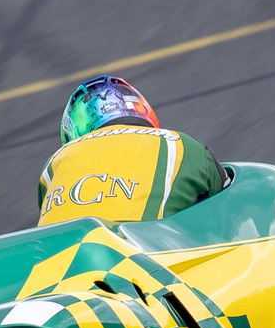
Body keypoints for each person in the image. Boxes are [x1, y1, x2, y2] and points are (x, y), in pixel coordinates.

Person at [37, 75, 226, 225]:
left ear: (73, 131)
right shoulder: (181, 144)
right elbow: (231, 207)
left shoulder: (54, 165)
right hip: (141, 265)